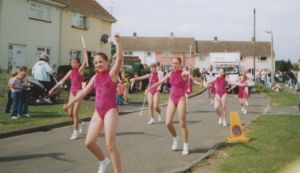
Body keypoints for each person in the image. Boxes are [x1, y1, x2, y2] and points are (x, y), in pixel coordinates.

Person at [63, 34, 122, 173]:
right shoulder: (95, 77)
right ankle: (103, 161)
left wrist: (118, 43)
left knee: (110, 145)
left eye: (100, 61)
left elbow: (119, 59)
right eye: (95, 63)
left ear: (107, 62)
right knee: (89, 143)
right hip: (98, 111)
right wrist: (70, 104)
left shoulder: (112, 73)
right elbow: (82, 93)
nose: (98, 64)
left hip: (110, 111)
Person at [146, 57, 190, 155]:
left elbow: (188, 76)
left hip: (181, 98)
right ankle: (175, 138)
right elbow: (159, 82)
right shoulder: (170, 73)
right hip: (172, 98)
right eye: (173, 63)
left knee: (182, 123)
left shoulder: (183, 73)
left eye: (176, 63)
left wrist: (190, 74)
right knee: (168, 123)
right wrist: (149, 88)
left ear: (180, 64)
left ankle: (185, 145)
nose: (174, 65)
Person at [49, 51, 87, 140]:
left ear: (78, 64)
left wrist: (85, 51)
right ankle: (82, 123)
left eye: (75, 62)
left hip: (79, 93)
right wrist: (52, 89)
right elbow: (61, 81)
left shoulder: (80, 70)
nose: (73, 64)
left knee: (75, 113)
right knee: (70, 113)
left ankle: (76, 132)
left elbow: (86, 61)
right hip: (72, 92)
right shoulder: (70, 72)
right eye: (72, 62)